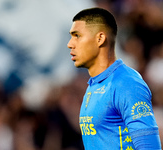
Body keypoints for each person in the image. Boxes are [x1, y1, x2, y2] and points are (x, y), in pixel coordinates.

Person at [67, 7, 162, 150]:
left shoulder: (126, 83)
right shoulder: (93, 85)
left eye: (77, 36)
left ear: (100, 39)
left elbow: (149, 146)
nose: (70, 44)